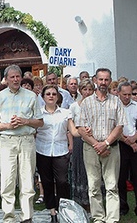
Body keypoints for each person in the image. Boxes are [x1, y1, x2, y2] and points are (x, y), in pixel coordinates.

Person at [0, 64, 44, 223]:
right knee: (7, 181)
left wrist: (25, 121)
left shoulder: (31, 96)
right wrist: (8, 125)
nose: (15, 79)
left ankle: (27, 217)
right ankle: (9, 217)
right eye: (12, 77)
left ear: (21, 77)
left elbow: (40, 122)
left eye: (17, 76)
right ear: (6, 79)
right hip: (7, 141)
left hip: (27, 141)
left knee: (27, 180)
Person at [77, 68, 125, 223]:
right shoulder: (86, 102)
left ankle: (112, 219)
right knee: (93, 185)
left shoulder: (116, 101)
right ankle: (98, 218)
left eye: (106, 79)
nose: (103, 83)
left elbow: (119, 126)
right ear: (95, 80)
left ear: (110, 81)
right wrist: (97, 145)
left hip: (111, 147)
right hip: (90, 148)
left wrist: (105, 144)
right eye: (101, 79)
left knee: (112, 185)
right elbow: (81, 129)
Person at [36, 84, 78, 222]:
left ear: (58, 96)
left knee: (62, 181)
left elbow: (73, 131)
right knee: (47, 182)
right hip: (42, 150)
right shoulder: (38, 113)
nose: (51, 96)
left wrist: (83, 131)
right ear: (43, 97)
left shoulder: (66, 113)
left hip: (61, 150)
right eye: (48, 94)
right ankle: (52, 212)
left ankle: (63, 209)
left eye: (54, 94)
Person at [117, 81, 137, 219]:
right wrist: (128, 141)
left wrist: (134, 139)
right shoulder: (114, 106)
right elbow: (113, 127)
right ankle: (123, 206)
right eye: (124, 94)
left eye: (130, 94)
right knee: (121, 177)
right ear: (118, 93)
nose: (127, 97)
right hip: (121, 144)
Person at [69, 78, 94, 210]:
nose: (88, 92)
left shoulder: (96, 105)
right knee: (80, 169)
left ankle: (93, 200)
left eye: (90, 89)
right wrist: (71, 143)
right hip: (79, 139)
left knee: (92, 169)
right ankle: (81, 200)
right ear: (80, 90)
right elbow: (70, 126)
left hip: (93, 138)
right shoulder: (74, 106)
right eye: (85, 89)